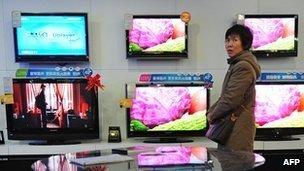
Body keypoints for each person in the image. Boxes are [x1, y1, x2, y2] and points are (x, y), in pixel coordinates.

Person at [207, 24, 261, 152]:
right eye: (227, 40)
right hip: (234, 127)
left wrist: (212, 115)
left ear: (245, 43)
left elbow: (231, 99)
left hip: (237, 129)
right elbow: (227, 96)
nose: (229, 44)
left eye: (235, 40)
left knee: (235, 164)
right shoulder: (237, 63)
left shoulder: (243, 67)